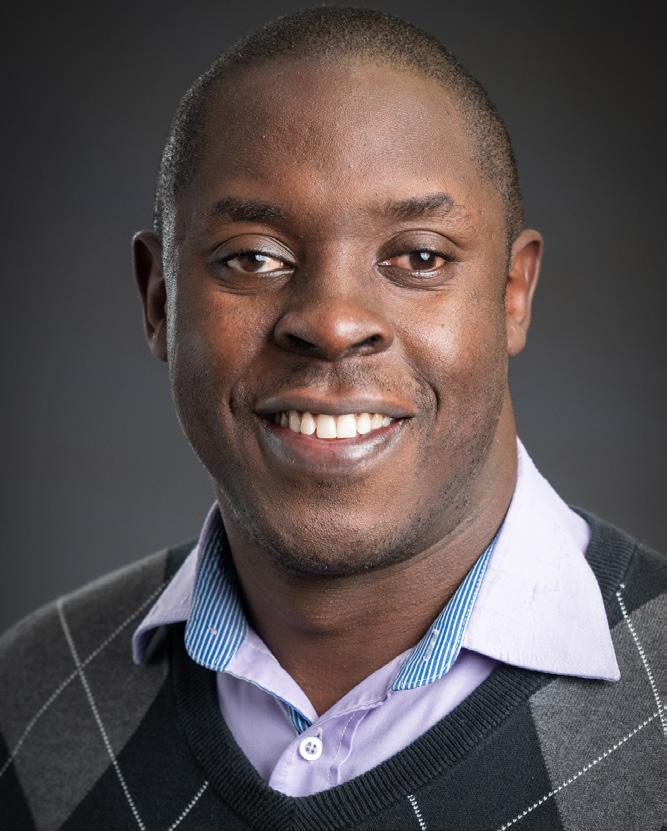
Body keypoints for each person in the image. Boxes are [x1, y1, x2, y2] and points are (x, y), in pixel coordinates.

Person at [0, 7, 663, 830]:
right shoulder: (30, 700)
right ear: (159, 299)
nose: (333, 321)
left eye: (418, 256)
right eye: (253, 257)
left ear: (511, 293)